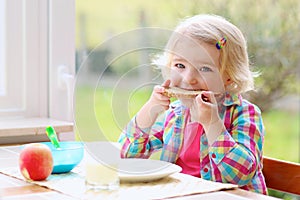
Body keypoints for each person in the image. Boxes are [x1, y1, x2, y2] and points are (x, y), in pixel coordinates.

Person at [118, 14, 267, 194]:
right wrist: (149, 110)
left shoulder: (244, 114)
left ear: (228, 77)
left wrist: (212, 124)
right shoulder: (175, 114)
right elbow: (127, 156)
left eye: (205, 69)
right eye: (180, 66)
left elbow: (241, 175)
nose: (188, 79)